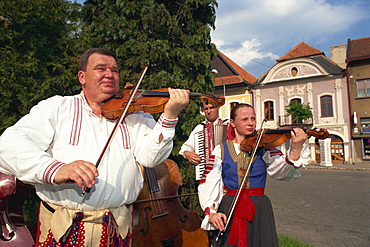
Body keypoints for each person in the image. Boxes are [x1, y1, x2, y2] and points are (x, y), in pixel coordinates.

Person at [0, 48, 190, 246]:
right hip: (62, 228)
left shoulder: (137, 115)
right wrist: (56, 168)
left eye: (115, 70)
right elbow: (9, 144)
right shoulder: (57, 108)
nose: (109, 74)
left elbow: (150, 158)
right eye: (101, 68)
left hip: (115, 228)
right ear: (82, 77)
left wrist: (169, 117)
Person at [198, 103, 309, 247]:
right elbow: (209, 181)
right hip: (230, 205)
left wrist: (295, 150)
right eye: (245, 119)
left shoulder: (265, 147)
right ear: (232, 123)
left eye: (253, 118)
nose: (251, 123)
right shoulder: (221, 149)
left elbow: (283, 173)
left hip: (259, 207)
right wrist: (211, 212)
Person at [179, 94, 229, 180]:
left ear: (218, 108)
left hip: (228, 174)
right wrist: (187, 154)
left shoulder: (228, 124)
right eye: (206, 109)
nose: (209, 111)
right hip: (206, 175)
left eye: (212, 107)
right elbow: (185, 148)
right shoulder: (199, 128)